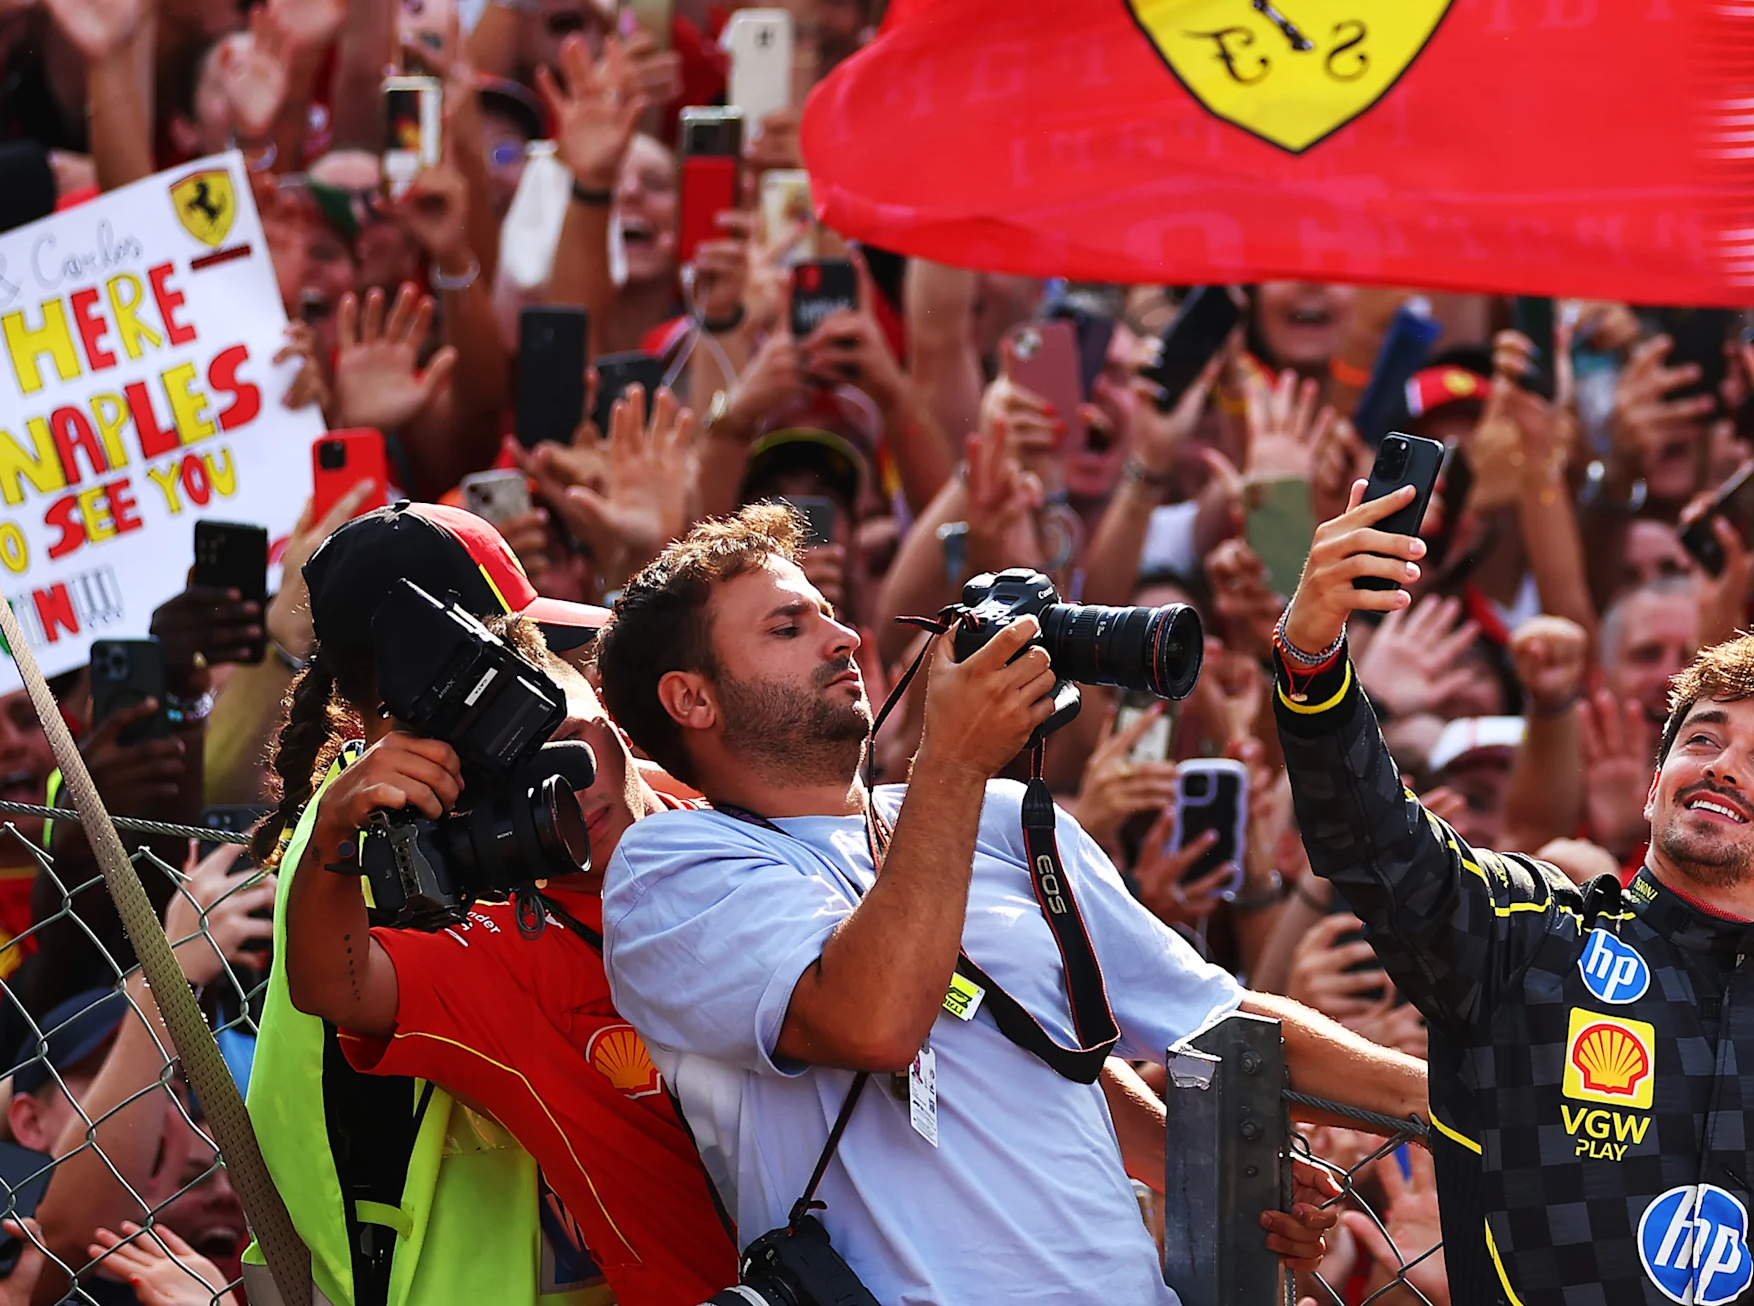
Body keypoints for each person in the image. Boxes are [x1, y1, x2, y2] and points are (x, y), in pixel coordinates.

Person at [594, 505, 1418, 1301]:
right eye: (786, 628)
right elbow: (876, 1019)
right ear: (691, 700)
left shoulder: (994, 819)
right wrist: (948, 760)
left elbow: (1216, 1019)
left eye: (829, 613)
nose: (843, 637)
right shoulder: (671, 871)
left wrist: (1466, 1102)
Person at [1266, 477, 1754, 1304]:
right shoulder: (1530, 936)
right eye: (1703, 739)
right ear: (1656, 787)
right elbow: (1371, 836)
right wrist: (1311, 655)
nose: (1724, 763)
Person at [270, 510, 738, 1306]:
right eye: (515, 756)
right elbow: (337, 987)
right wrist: (340, 836)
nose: (567, 786)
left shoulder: (723, 810)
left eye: (562, 731)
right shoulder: (456, 907)